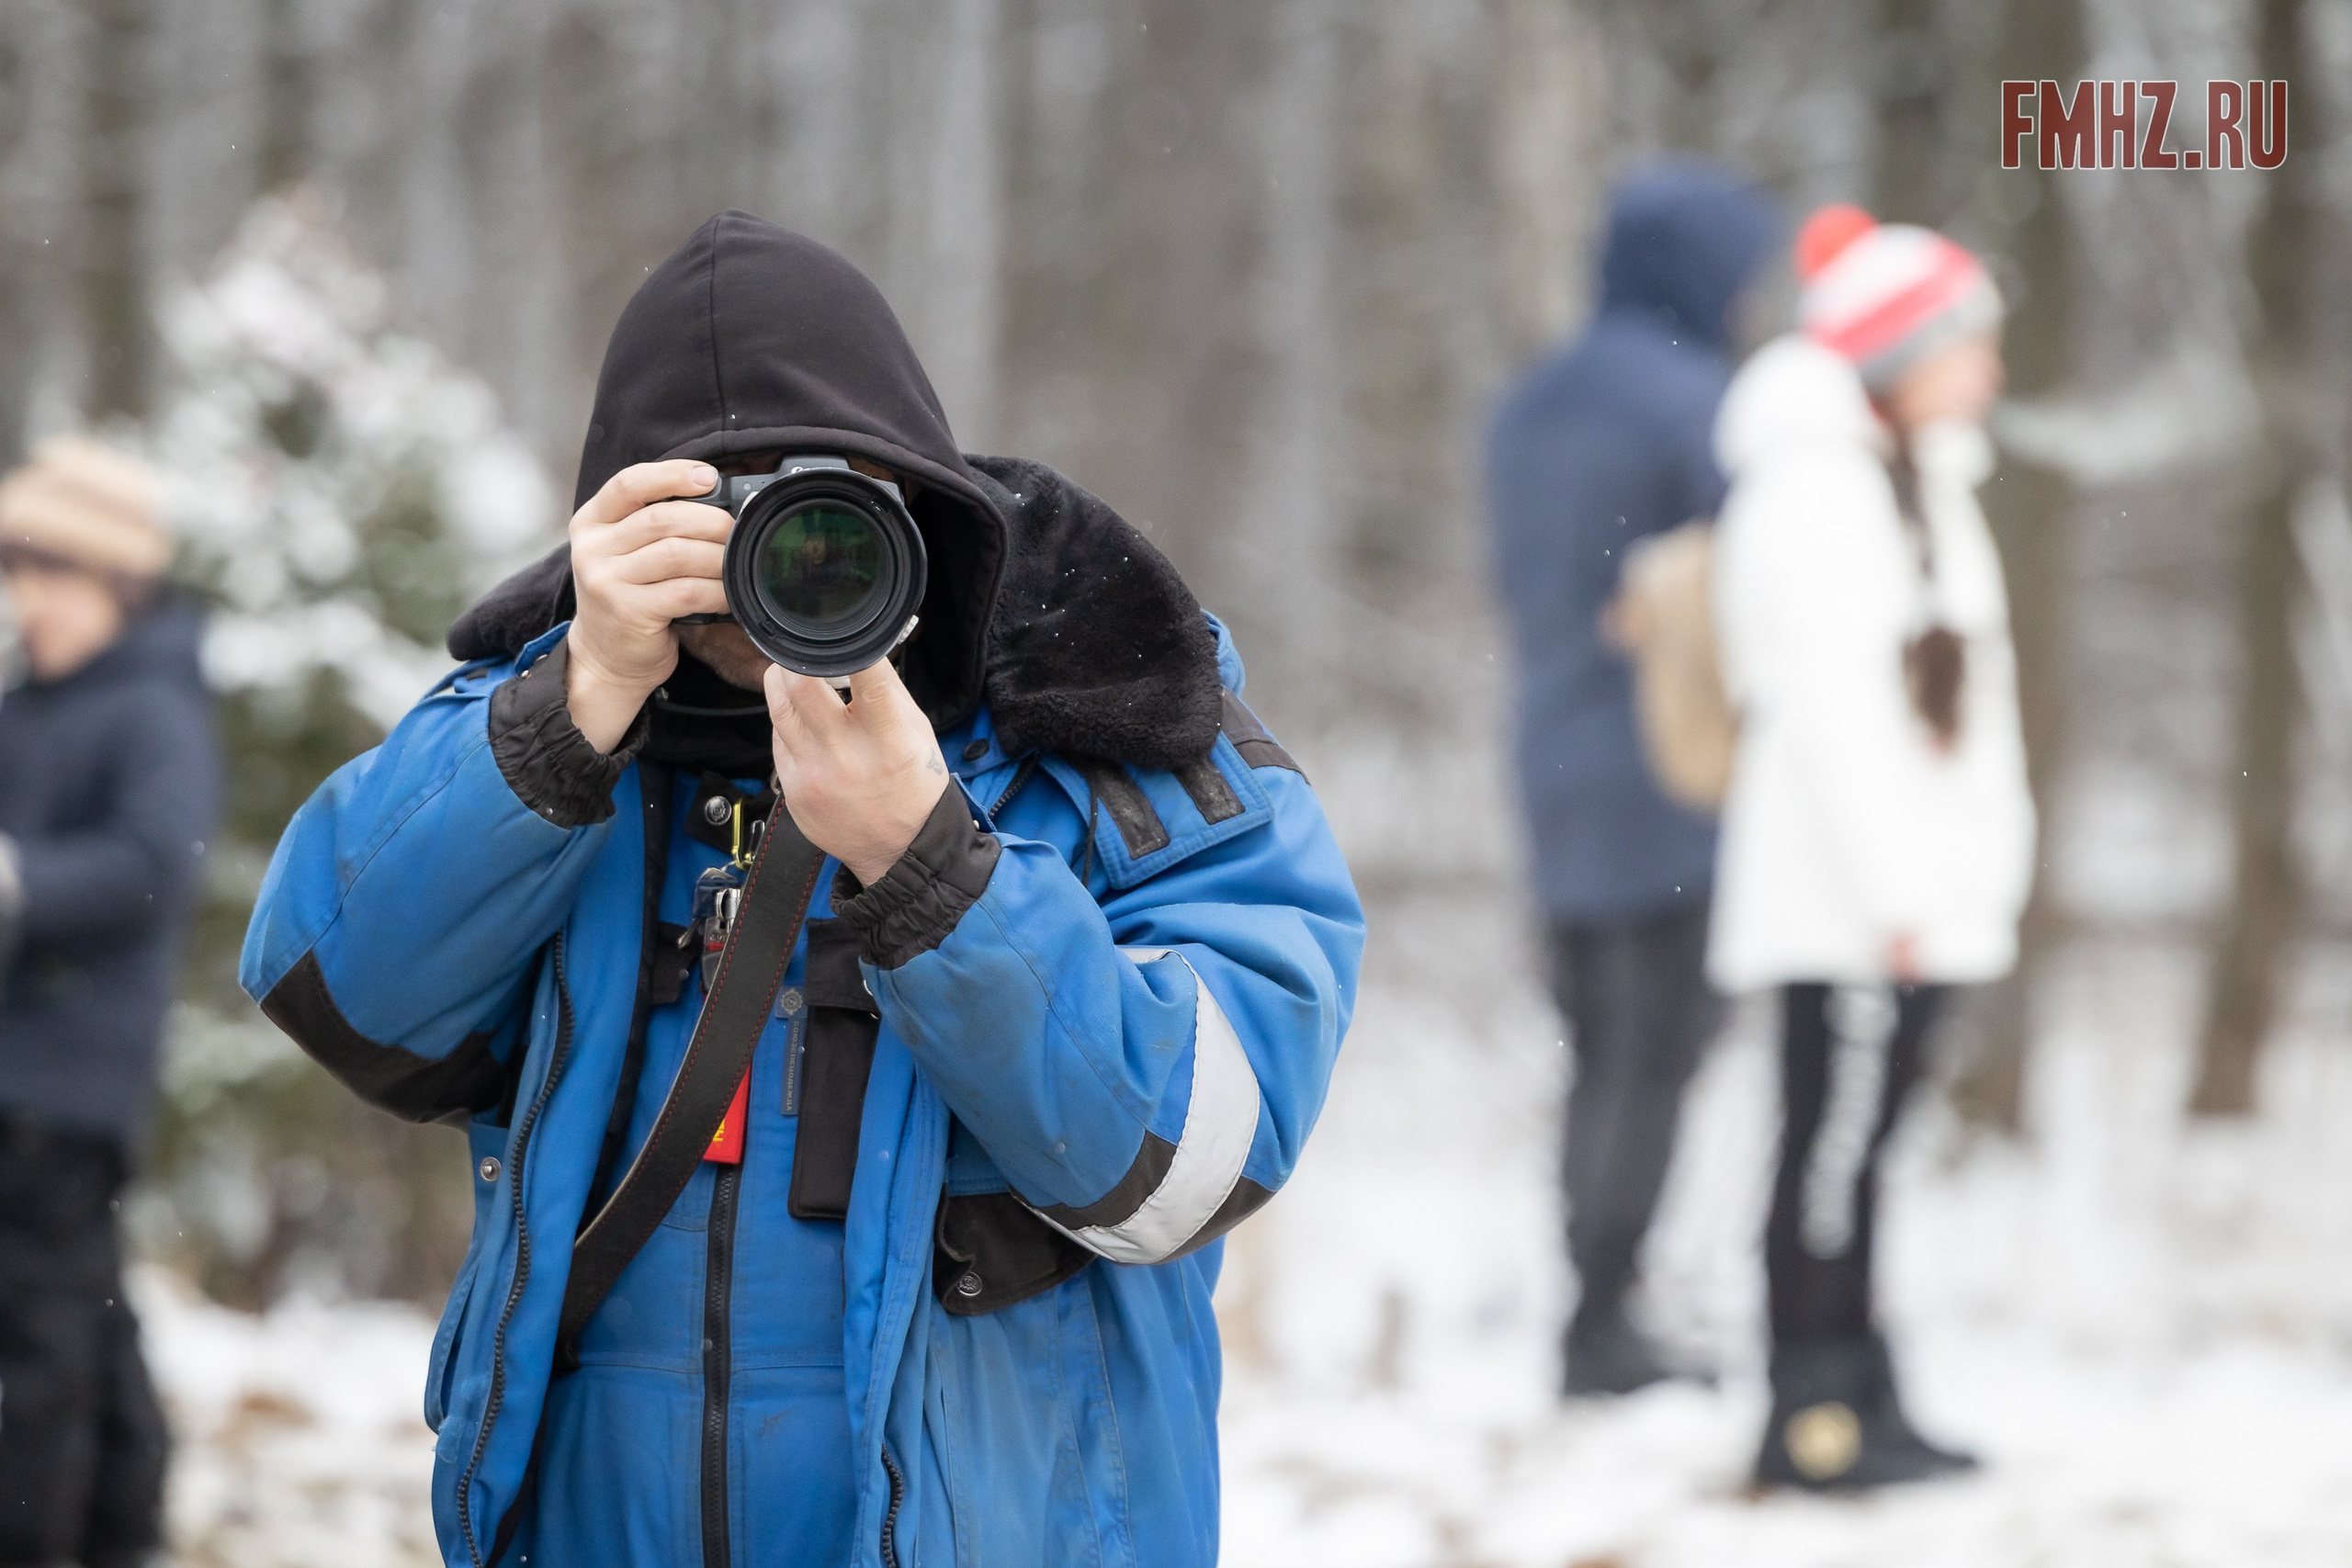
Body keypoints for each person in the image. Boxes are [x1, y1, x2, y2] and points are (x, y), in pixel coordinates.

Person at [242, 212, 1363, 1567]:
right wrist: (567, 710)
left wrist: (931, 861)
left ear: (920, 507)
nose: (782, 563)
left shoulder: (1115, 726)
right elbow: (339, 992)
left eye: (825, 513)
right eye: (721, 513)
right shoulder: (550, 718)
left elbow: (1189, 1158)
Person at [1709, 205, 2034, 1489]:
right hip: (1846, 902)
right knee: (1830, 1155)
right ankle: (1813, 1413)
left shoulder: (1911, 481)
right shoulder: (1816, 495)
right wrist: (1900, 890)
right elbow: (1839, 718)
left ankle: (1863, 1385)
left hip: (1902, 897)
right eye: (1973, 346)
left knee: (1861, 1152)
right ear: (1903, 352)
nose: (1991, 375)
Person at [1486, 161, 1779, 1395]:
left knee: (1599, 1043)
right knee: (1656, 1050)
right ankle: (1605, 1320)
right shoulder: (1701, 403)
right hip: (1674, 771)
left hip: (1552, 755)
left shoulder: (1527, 404)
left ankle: (1593, 1294)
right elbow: (1747, 585)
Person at [0, 435, 217, 1565]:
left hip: (67, 1083)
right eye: (16, 574)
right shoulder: (30, 704)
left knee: (35, 1357)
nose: (29, 602)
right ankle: (119, 1528)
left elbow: (153, 858)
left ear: (119, 583)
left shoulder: (149, 708)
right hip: (17, 1076)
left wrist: (24, 881)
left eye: (53, 574)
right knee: (84, 1327)